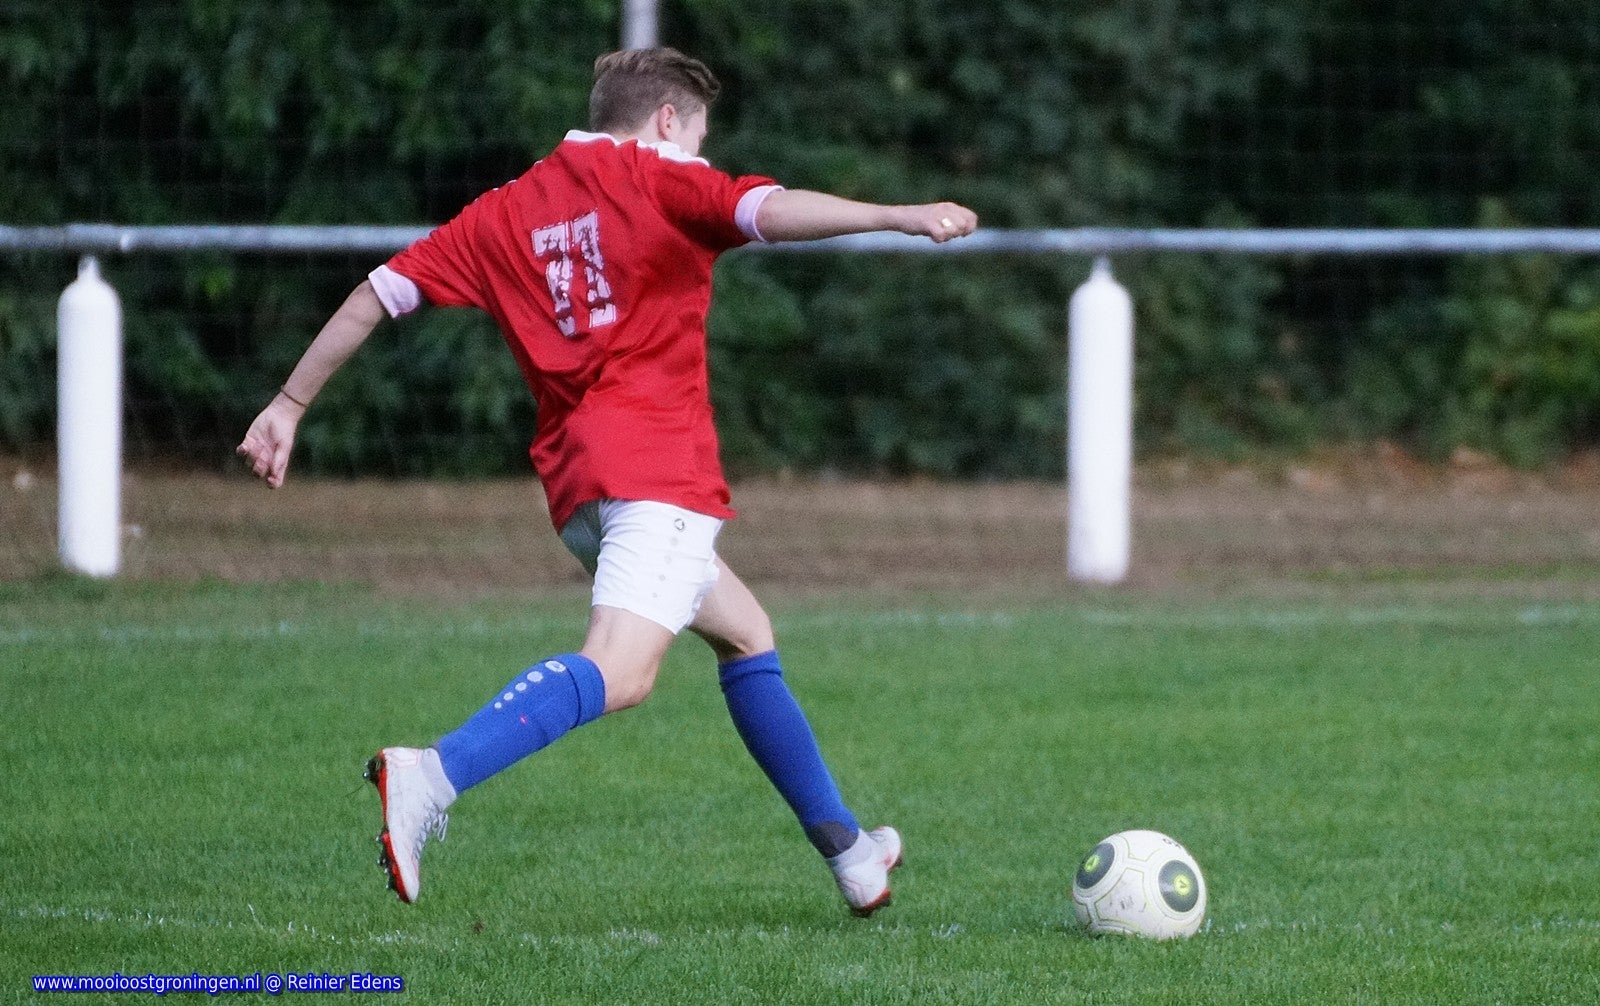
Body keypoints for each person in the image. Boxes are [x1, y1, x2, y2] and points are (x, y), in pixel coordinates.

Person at [237, 46, 978, 917]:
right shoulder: (661, 178)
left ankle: (852, 854)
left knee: (745, 635)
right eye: (698, 137)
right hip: (656, 477)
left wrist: (288, 404)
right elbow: (769, 210)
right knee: (620, 673)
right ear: (666, 121)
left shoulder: (505, 208)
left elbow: (378, 293)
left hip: (580, 491)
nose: (701, 155)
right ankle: (430, 775)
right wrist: (898, 214)